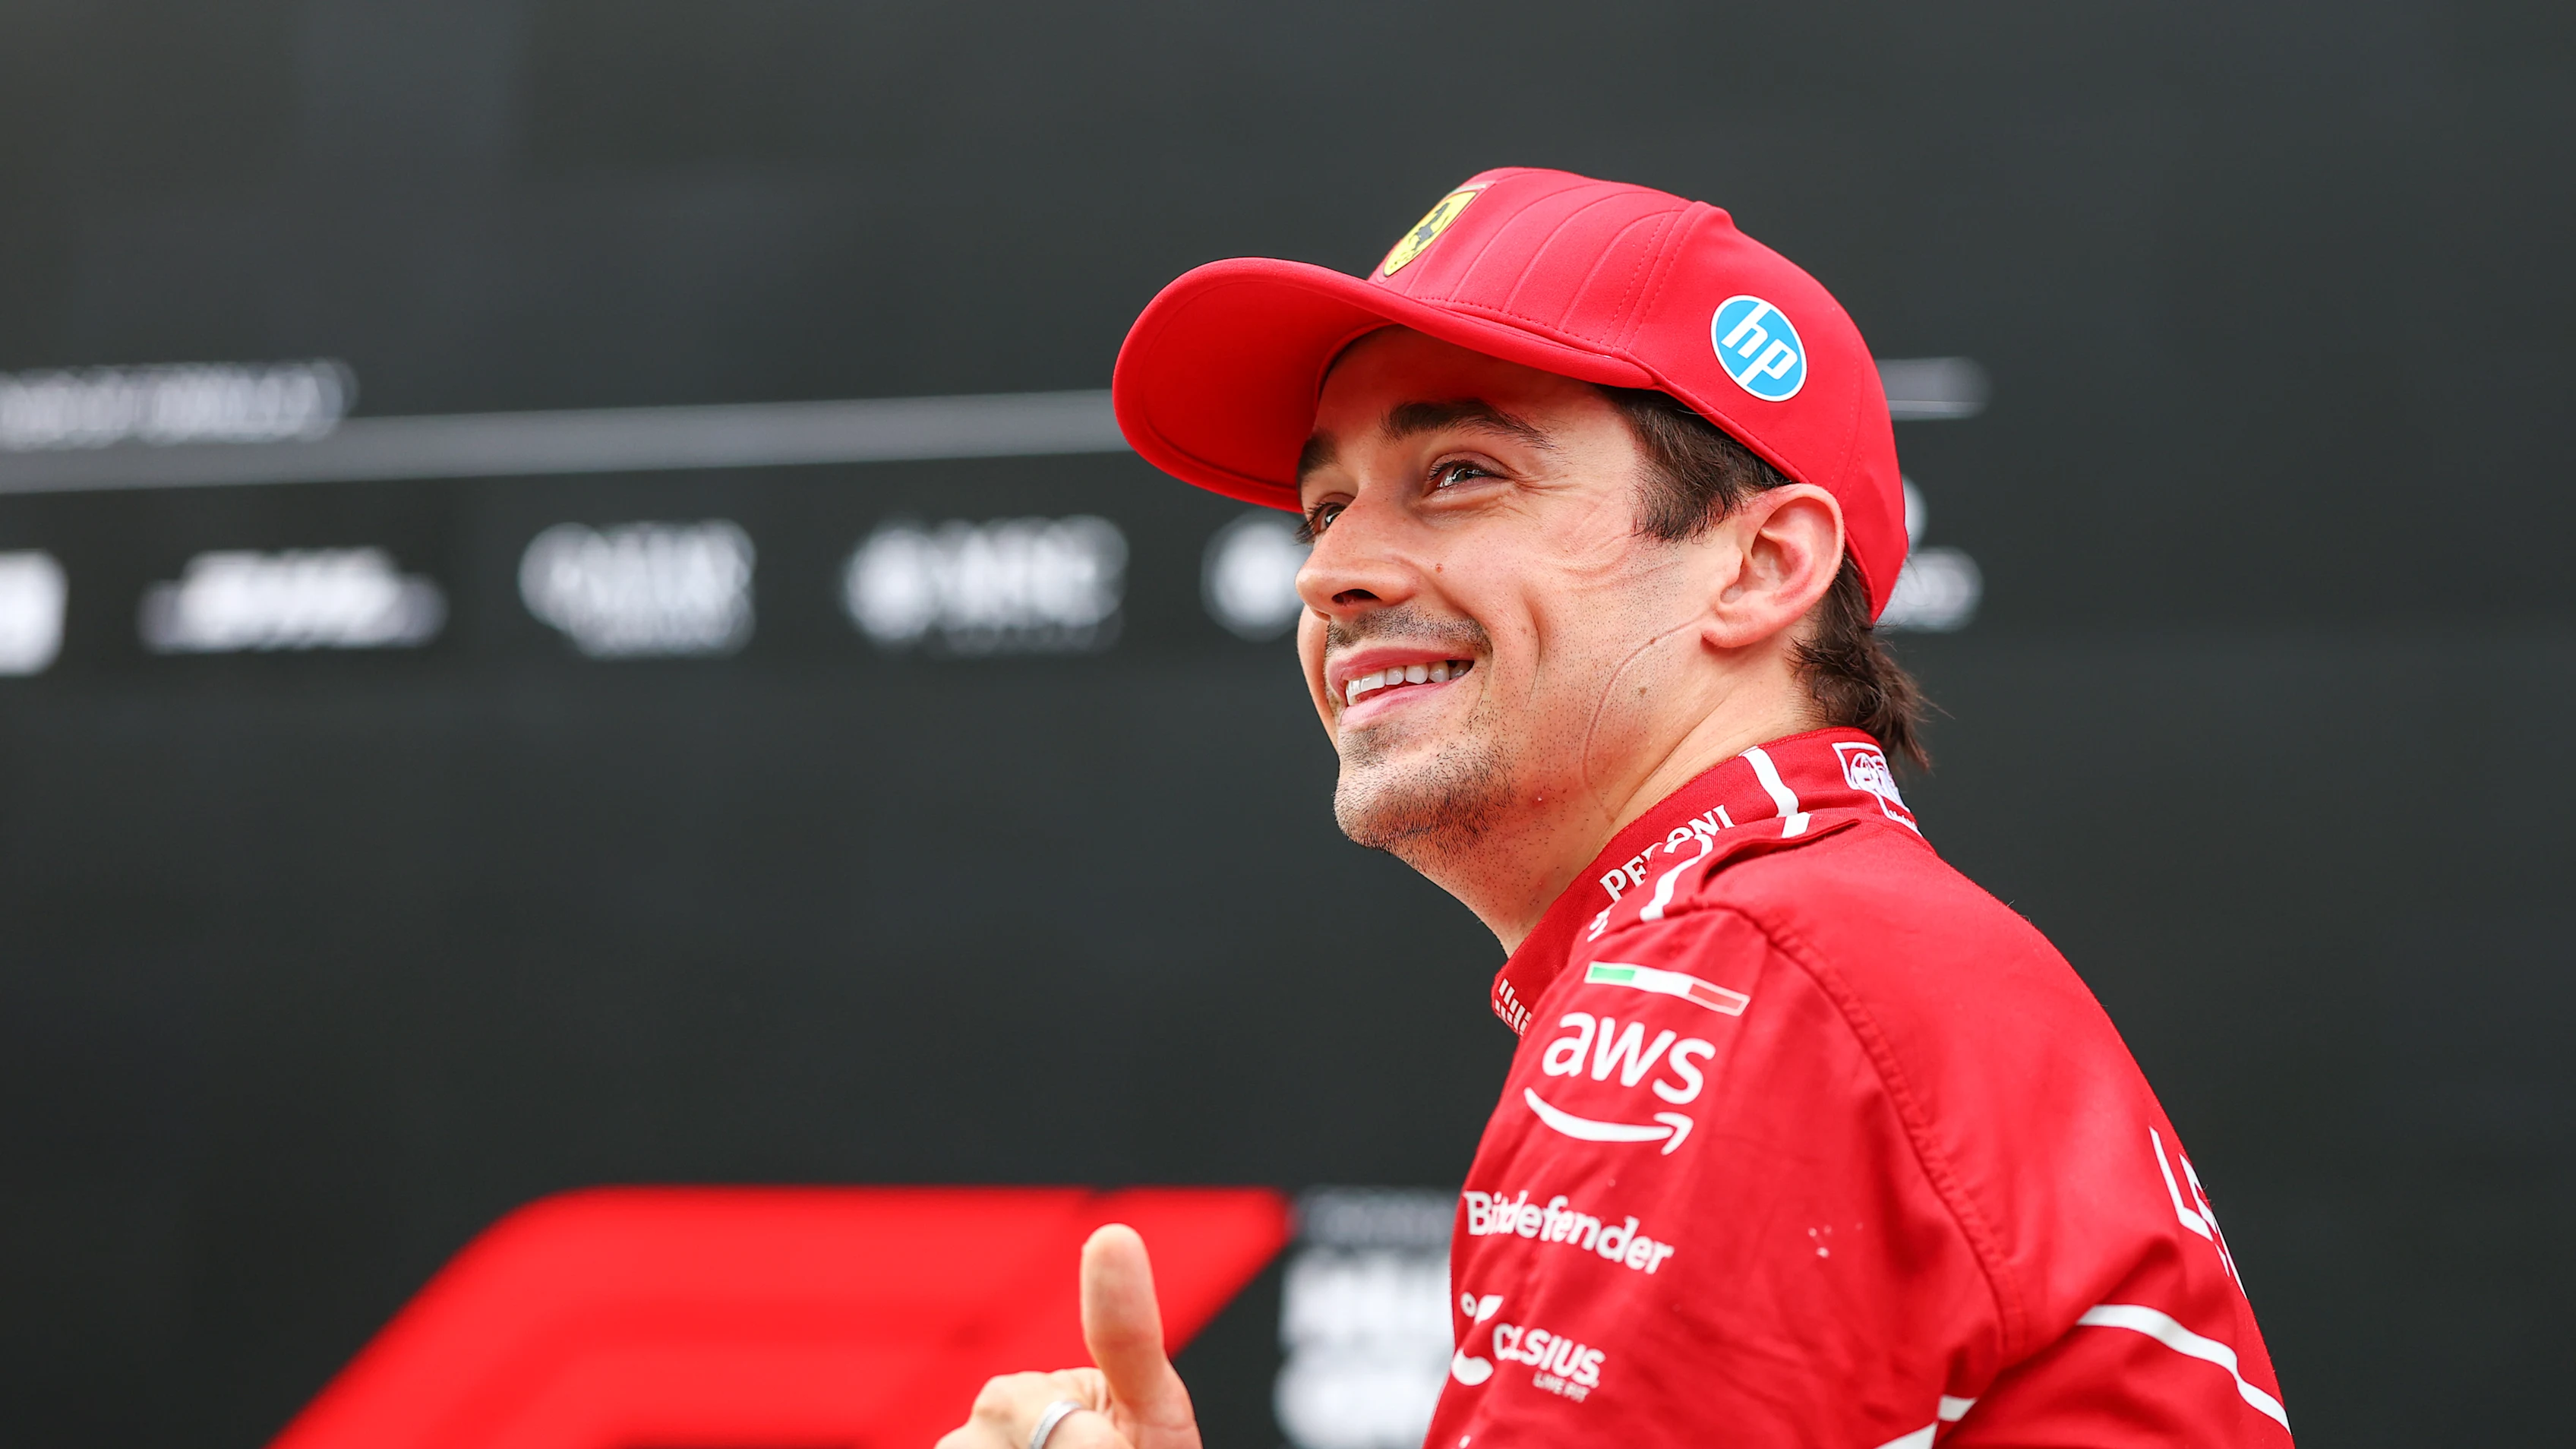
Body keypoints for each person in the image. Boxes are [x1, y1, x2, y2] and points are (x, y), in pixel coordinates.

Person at [939, 167, 2290, 1449]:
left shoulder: (1739, 978)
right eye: (1324, 508)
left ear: (1762, 565)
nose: (1332, 572)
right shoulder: (1827, 943)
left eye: (1461, 472)